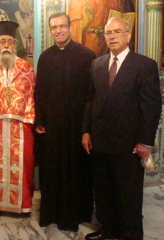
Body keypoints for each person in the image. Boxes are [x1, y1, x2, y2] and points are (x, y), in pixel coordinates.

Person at [82, 17, 162, 240]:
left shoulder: (144, 65)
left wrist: (145, 142)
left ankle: (130, 235)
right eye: (109, 33)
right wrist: (86, 131)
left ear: (128, 36)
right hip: (100, 140)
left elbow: (151, 106)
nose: (113, 36)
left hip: (129, 143)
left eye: (118, 32)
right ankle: (108, 230)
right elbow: (90, 100)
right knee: (104, 190)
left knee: (128, 193)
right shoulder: (97, 65)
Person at [34, 12, 95, 232]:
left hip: (77, 127)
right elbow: (39, 91)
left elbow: (91, 95)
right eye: (54, 27)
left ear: (69, 28)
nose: (58, 31)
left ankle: (76, 214)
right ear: (50, 31)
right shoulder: (45, 57)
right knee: (52, 170)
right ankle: (51, 213)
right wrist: (40, 119)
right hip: (52, 127)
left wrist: (86, 128)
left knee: (76, 170)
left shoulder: (86, 55)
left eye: (62, 26)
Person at [0, 21, 36, 218]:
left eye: (10, 42)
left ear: (15, 44)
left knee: (23, 163)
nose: (6, 46)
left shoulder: (25, 67)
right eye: (2, 41)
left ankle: (21, 205)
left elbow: (33, 95)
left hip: (20, 126)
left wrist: (29, 118)